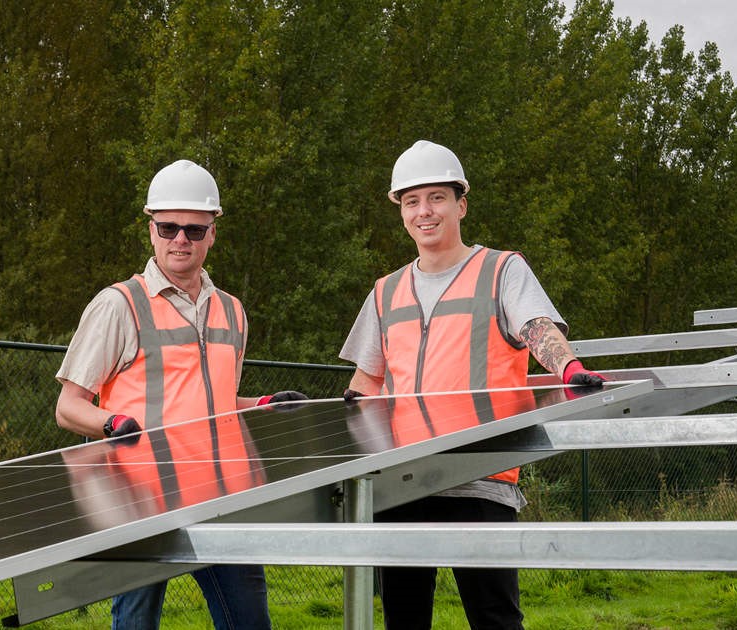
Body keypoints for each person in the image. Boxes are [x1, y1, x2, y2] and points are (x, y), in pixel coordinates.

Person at [339, 141, 605, 630]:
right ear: (401, 210)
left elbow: (537, 329)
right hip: (401, 478)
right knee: (404, 617)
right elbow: (366, 382)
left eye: (437, 197)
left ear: (461, 204)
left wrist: (568, 368)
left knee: (495, 618)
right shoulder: (385, 290)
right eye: (412, 201)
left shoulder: (501, 270)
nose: (425, 211)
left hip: (480, 474)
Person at [55, 158, 304, 630]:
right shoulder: (119, 304)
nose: (180, 240)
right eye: (168, 228)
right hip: (138, 502)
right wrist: (113, 425)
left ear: (213, 232)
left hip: (222, 500)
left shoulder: (232, 311)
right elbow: (69, 407)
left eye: (193, 229)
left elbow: (215, 405)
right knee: (135, 623)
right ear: (151, 230)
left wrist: (265, 405)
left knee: (249, 623)